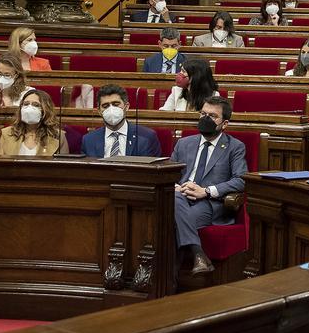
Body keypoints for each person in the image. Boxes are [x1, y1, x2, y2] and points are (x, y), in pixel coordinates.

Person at [171, 95, 249, 275]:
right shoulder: (184, 143)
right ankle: (198, 255)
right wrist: (176, 186)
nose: (206, 118)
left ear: (225, 124)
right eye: (203, 113)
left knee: (170, 223)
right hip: (179, 197)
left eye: (212, 116)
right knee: (175, 199)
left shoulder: (234, 147)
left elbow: (241, 180)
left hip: (208, 204)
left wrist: (206, 191)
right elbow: (169, 172)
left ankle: (167, 285)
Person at [82, 84, 160, 158]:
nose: (111, 109)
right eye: (105, 106)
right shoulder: (88, 140)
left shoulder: (147, 137)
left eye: (116, 104)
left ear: (126, 107)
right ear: (99, 111)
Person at [0, 89, 65, 157]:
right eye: (26, 104)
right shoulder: (7, 133)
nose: (29, 108)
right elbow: (0, 165)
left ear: (46, 110)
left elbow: (64, 167)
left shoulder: (58, 137)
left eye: (36, 105)